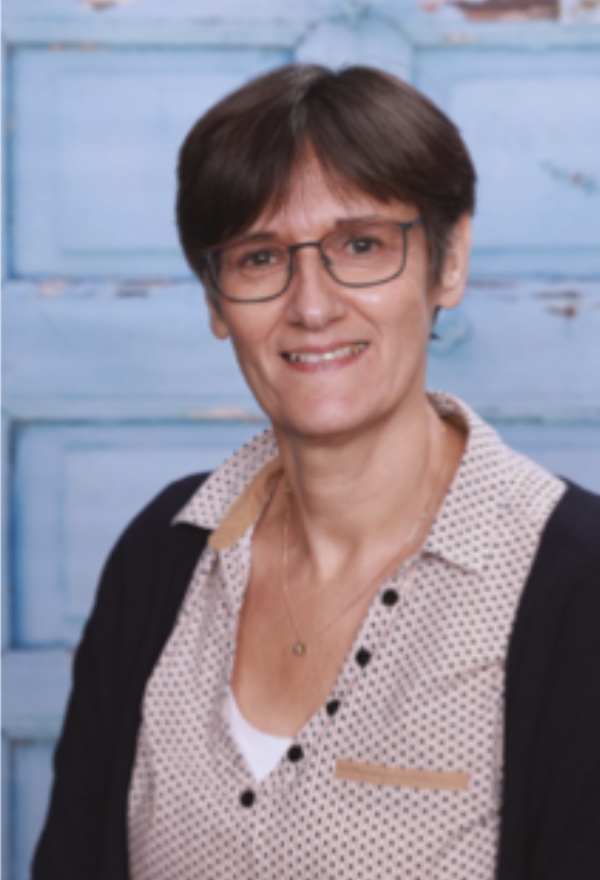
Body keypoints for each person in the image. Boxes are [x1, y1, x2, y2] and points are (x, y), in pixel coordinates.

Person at [33, 64, 600, 880]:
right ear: (215, 300)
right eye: (260, 258)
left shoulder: (578, 586)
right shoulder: (162, 554)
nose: (312, 305)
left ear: (449, 260)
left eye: (361, 245)